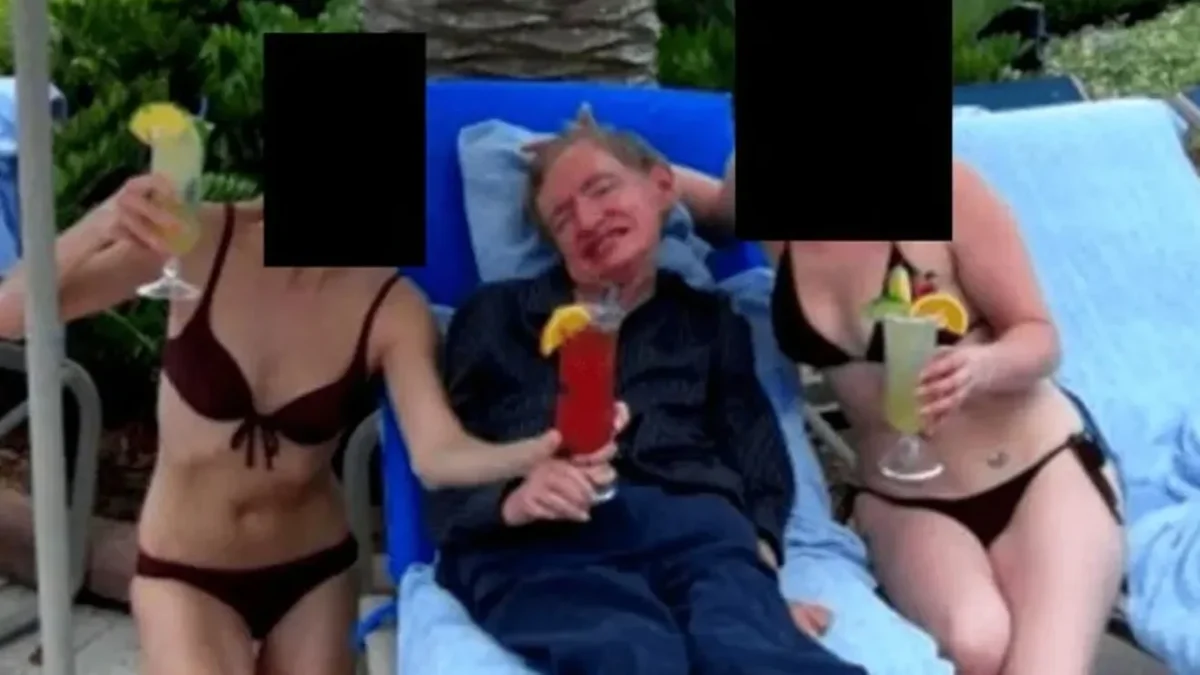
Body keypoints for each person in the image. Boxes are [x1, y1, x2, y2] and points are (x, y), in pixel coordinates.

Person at [0, 178, 592, 675]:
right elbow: (11, 314)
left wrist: (529, 454)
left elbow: (436, 452)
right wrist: (103, 222)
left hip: (312, 575)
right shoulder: (200, 239)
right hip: (185, 571)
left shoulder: (390, 304)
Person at [425, 108, 864, 675]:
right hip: (544, 542)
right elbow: (447, 458)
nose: (586, 219)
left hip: (699, 533)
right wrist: (508, 499)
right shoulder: (496, 316)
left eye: (601, 188)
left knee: (756, 654)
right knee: (631, 655)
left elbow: (755, 446)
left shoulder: (709, 321)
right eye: (562, 217)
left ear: (661, 187)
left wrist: (758, 566)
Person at [679, 156, 1125, 675]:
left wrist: (983, 366)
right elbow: (711, 207)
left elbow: (1039, 336)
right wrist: (603, 156)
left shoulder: (948, 187)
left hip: (1037, 471)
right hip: (903, 498)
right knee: (975, 644)